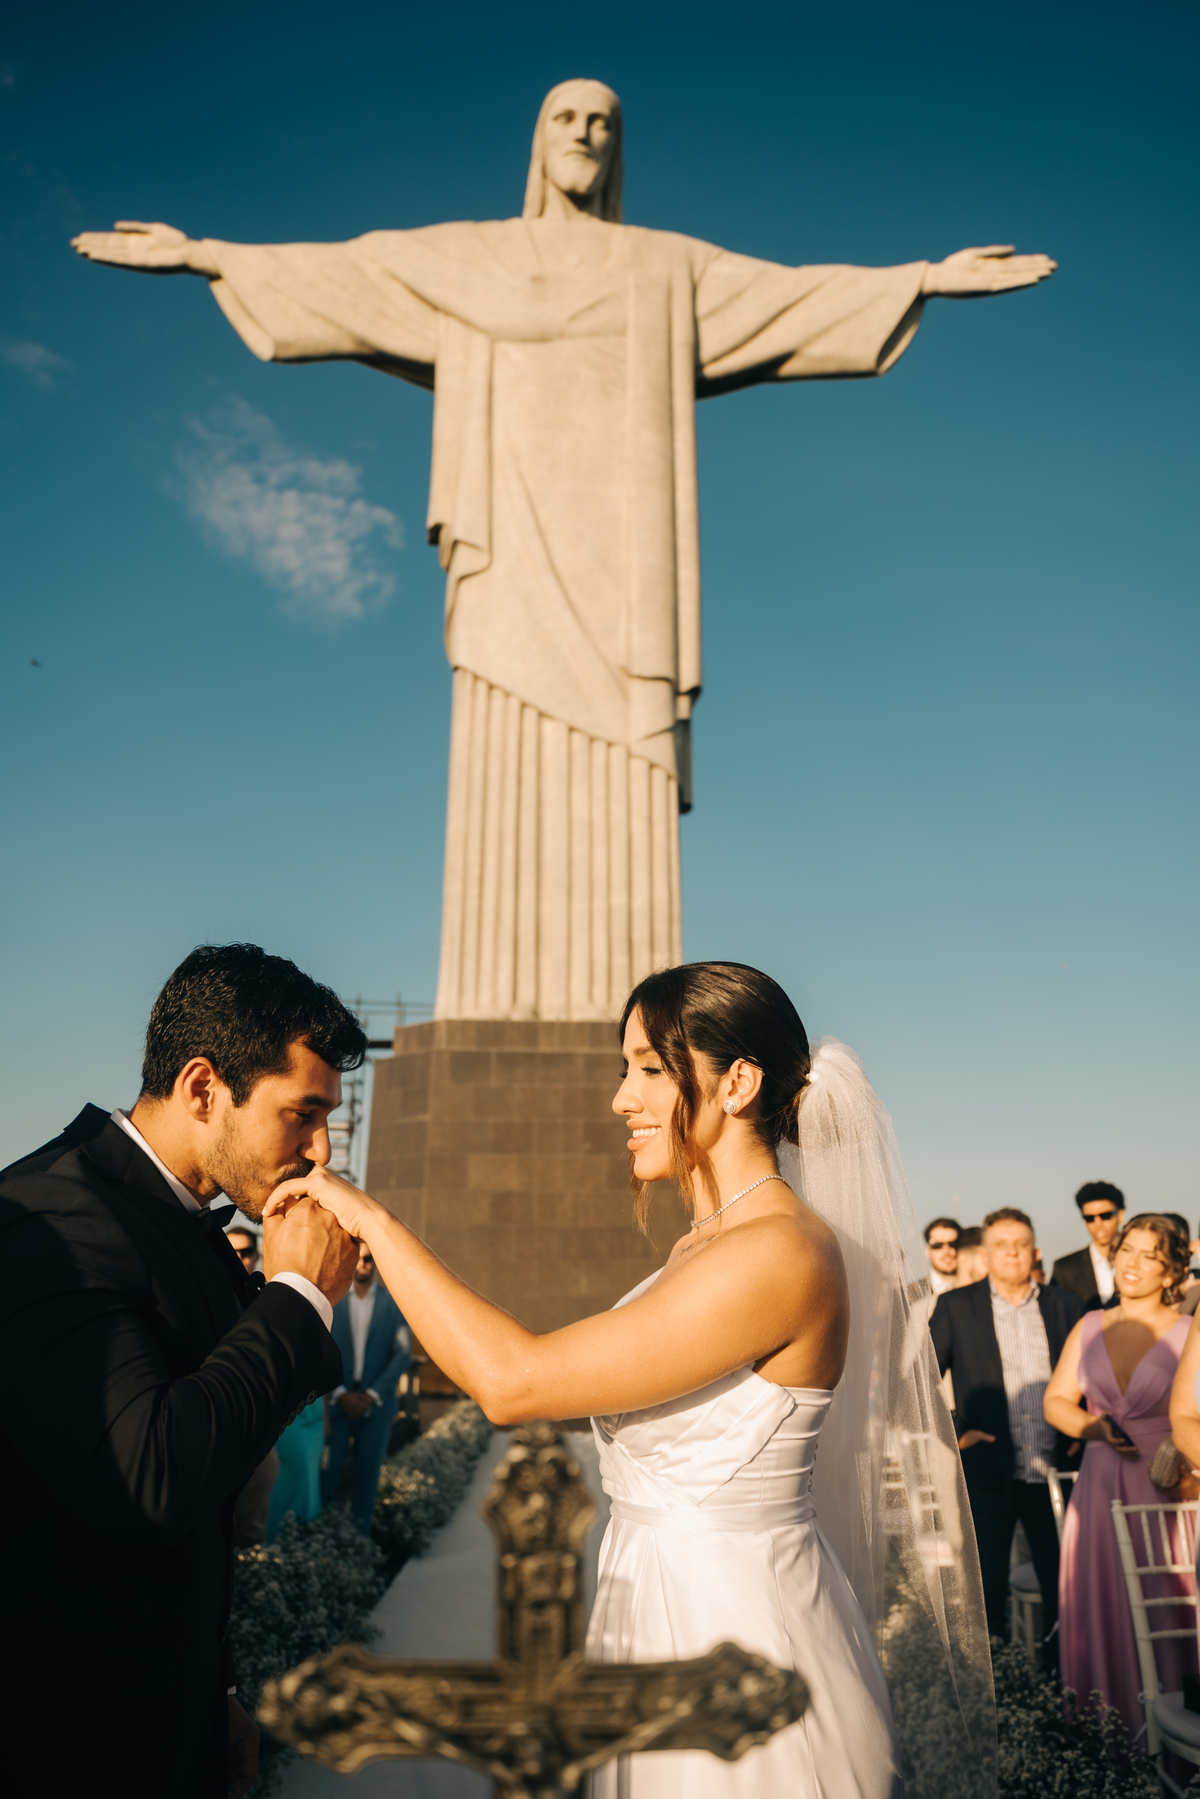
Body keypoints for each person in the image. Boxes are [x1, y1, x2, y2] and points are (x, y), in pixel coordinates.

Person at [266, 960, 994, 1798]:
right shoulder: (704, 1245)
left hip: (732, 1637)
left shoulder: (780, 1252)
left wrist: (369, 1218)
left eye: (650, 1067)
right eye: (626, 1068)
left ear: (738, 1083)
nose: (621, 1097)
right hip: (654, 1611)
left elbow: (515, 1381)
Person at [0, 944, 363, 1799]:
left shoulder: (188, 1219)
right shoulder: (49, 1216)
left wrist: (217, 1691)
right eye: (301, 1114)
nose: (319, 1150)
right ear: (204, 1088)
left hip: (174, 1715)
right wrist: (299, 1293)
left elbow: (204, 1508)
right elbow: (150, 1474)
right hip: (65, 1738)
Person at [1047, 1216, 1196, 1737]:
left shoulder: (1187, 1332)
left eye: (1148, 1254)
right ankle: (1109, 1732)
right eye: (1126, 1250)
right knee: (1104, 1601)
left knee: (1171, 1598)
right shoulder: (1090, 1325)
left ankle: (1176, 1731)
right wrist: (1094, 1427)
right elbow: (1056, 1402)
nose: (1131, 1262)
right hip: (1101, 1482)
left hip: (1169, 1489)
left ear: (1172, 1267)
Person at [930, 1208, 1084, 1655]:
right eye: (1002, 1245)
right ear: (987, 1253)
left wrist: (1080, 1433)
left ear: (1035, 1250)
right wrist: (958, 1433)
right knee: (988, 1592)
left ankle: (1063, 1691)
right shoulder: (957, 1307)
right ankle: (1002, 1695)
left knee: (1064, 1589)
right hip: (989, 1470)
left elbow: (1094, 1378)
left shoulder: (1066, 1305)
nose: (1012, 1253)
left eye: (1020, 1244)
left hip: (1055, 1472)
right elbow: (916, 1382)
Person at [323, 1243, 413, 1534]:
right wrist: (339, 1394)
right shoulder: (331, 1301)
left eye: (370, 1258)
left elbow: (402, 1353)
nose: (364, 1263)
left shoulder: (394, 1302)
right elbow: (320, 1349)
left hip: (376, 1406)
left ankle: (357, 1543)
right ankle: (322, 1540)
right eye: (358, 1257)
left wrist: (373, 1395)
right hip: (337, 1403)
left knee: (367, 1478)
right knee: (327, 1476)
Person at [1051, 1181, 1125, 1309]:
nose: (1098, 1224)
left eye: (1105, 1216)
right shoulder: (1065, 1269)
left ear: (1120, 1216)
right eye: (1089, 1218)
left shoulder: (1138, 1262)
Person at [924, 1217, 960, 1296]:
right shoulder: (910, 1294)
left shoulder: (981, 1288)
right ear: (928, 1251)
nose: (946, 1251)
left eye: (953, 1244)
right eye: (937, 1245)